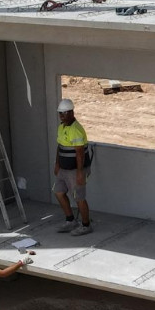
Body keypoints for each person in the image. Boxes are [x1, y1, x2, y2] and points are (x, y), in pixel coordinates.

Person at [53, 97, 92, 235]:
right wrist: (57, 164)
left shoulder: (76, 129)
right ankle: (70, 221)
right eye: (60, 113)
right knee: (58, 192)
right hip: (64, 169)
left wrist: (80, 173)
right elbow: (60, 147)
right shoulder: (61, 127)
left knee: (79, 197)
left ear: (71, 112)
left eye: (64, 113)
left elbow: (80, 153)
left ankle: (86, 225)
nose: (62, 116)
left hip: (76, 170)